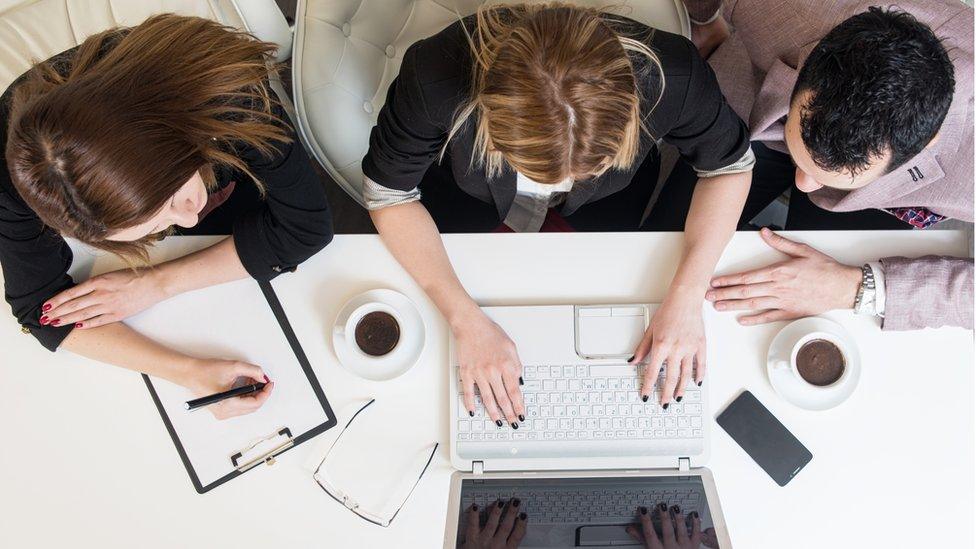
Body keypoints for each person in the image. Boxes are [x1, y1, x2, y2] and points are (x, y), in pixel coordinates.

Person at [362, 3, 755, 428]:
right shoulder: (433, 75)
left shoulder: (672, 74)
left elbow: (729, 168)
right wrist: (465, 320)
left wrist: (687, 296)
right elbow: (388, 194)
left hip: (602, 207)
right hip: (469, 200)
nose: (558, 186)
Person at [1, 15, 334, 418]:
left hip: (232, 169)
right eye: (154, 224)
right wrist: (189, 371)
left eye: (176, 199)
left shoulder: (221, 87)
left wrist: (156, 284)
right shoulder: (16, 179)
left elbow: (307, 225)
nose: (188, 221)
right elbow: (42, 309)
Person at [653, 1, 973, 330]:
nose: (802, 185)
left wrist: (854, 288)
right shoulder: (793, 9)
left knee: (819, 320)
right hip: (760, 115)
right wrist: (704, 21)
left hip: (892, 198)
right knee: (662, 251)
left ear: (928, 141)